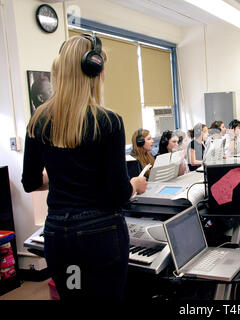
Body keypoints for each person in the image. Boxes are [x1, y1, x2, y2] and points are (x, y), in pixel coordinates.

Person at [21, 34, 147, 300]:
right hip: (99, 234)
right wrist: (134, 185)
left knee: (75, 296)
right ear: (95, 70)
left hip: (59, 236)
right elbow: (118, 193)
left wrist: (62, 178)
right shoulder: (109, 121)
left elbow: (31, 182)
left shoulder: (38, 120)